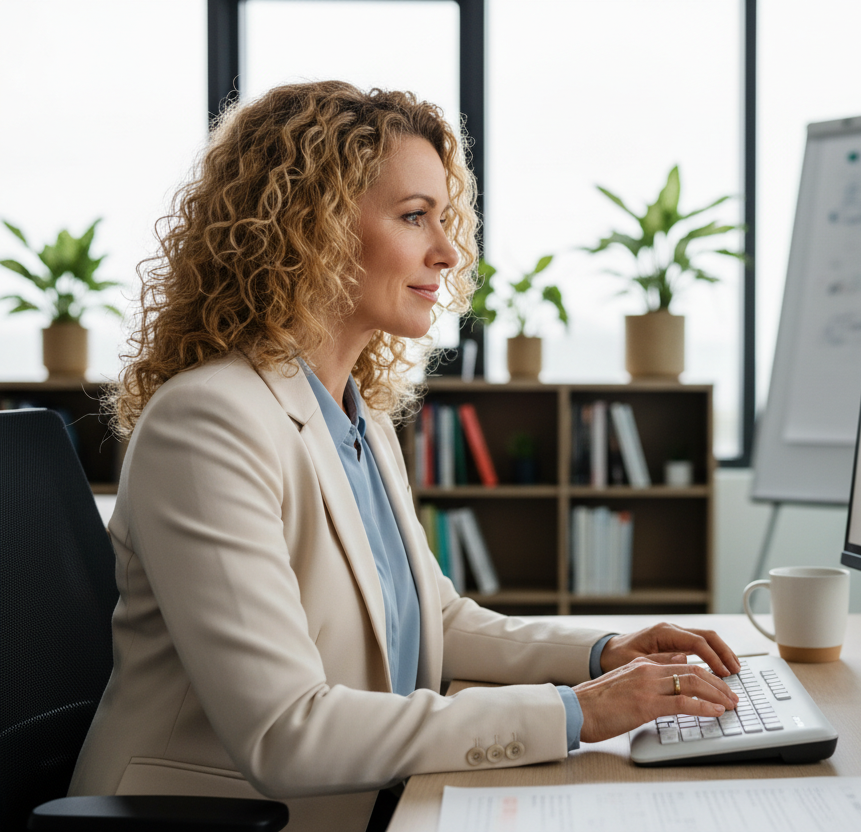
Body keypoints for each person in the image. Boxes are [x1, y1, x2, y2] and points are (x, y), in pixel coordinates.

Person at [70, 81, 739, 832]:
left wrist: (605, 653)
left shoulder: (356, 415)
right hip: (212, 815)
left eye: (445, 218)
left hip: (364, 802)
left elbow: (437, 619)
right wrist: (575, 713)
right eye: (415, 217)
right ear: (309, 228)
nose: (448, 252)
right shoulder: (209, 421)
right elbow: (286, 731)